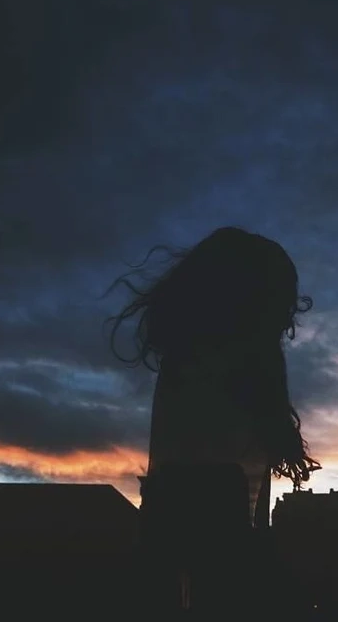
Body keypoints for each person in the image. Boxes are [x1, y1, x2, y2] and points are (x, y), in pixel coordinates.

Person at [105, 225, 319, 532]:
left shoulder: (194, 362)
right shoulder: (219, 368)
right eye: (277, 305)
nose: (283, 323)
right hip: (203, 535)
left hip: (190, 533)